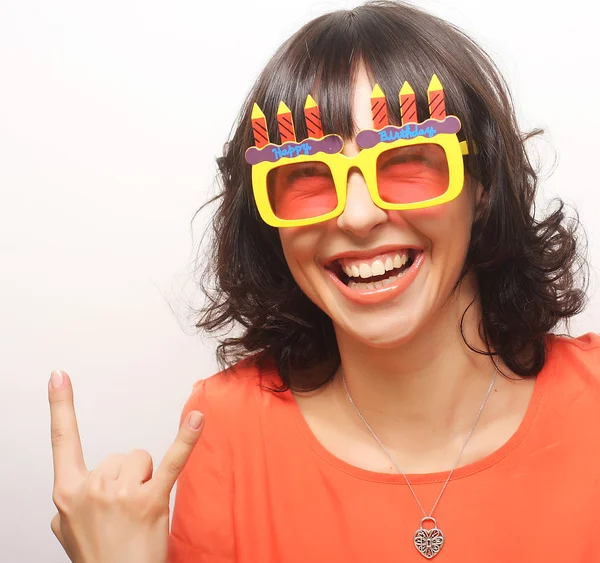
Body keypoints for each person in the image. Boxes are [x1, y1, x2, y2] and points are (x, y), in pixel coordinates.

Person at [48, 1, 600, 562]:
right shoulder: (226, 428)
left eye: (407, 160)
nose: (358, 217)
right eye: (307, 177)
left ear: (479, 184)